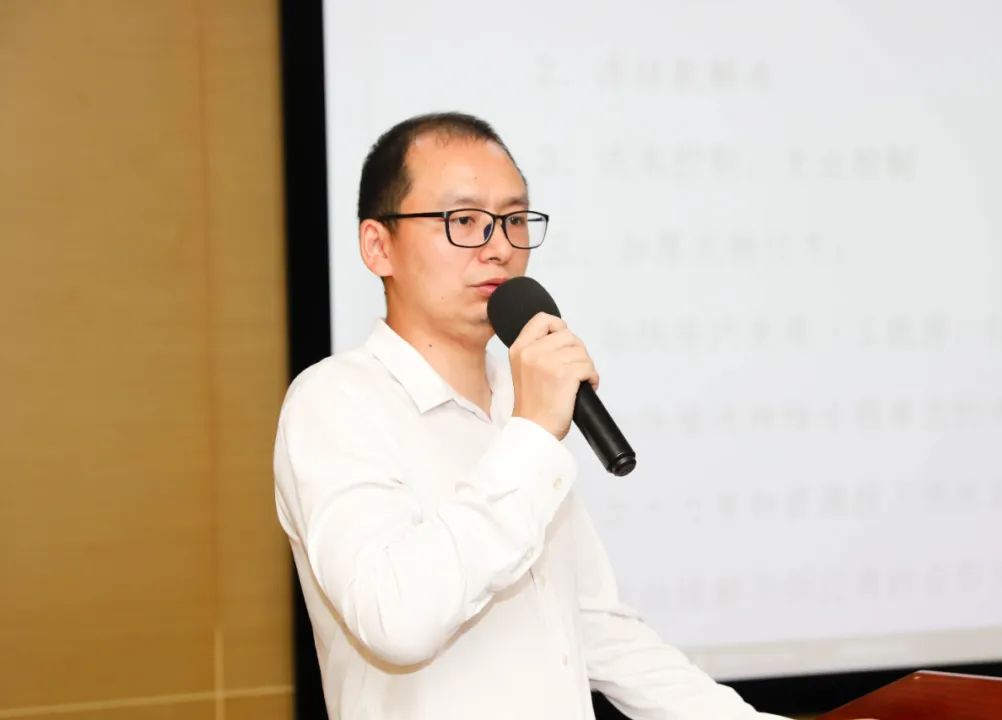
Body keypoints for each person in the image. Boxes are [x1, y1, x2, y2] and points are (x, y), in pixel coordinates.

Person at [273, 112, 790, 719]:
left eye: (514, 220)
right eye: (464, 221)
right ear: (377, 246)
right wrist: (534, 434)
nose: (499, 247)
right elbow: (396, 619)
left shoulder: (515, 401)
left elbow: (599, 630)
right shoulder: (335, 402)